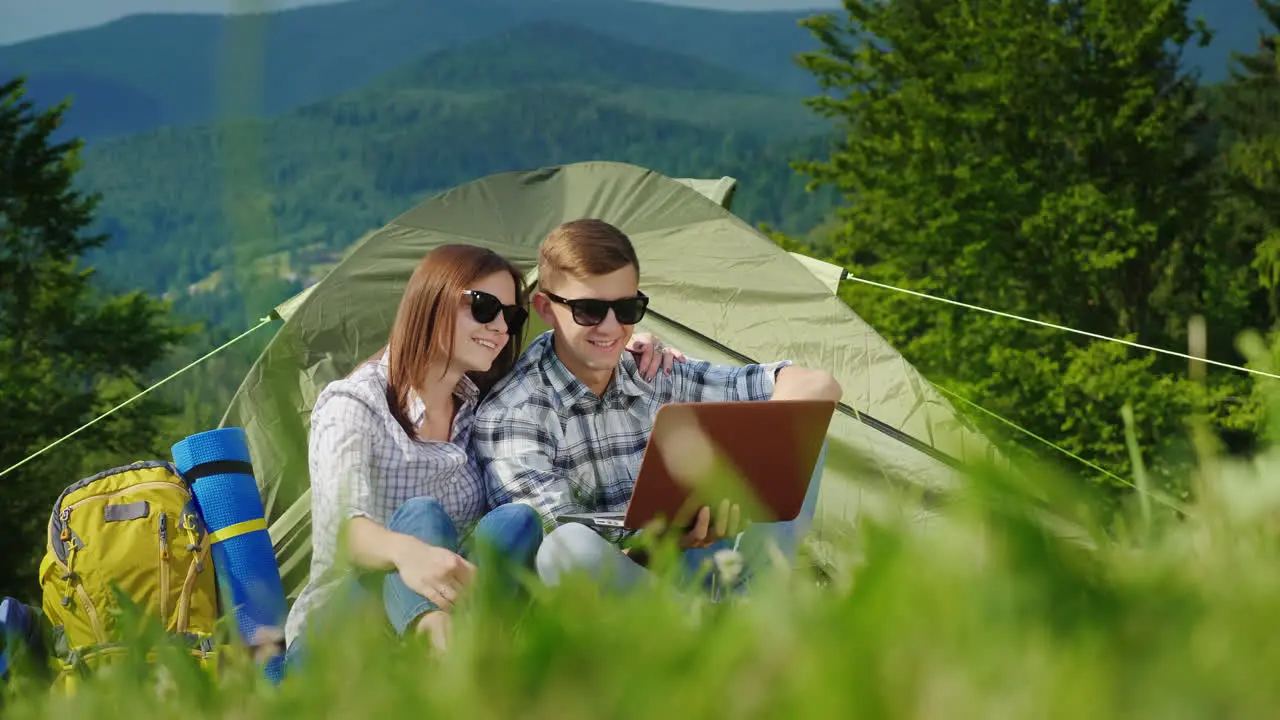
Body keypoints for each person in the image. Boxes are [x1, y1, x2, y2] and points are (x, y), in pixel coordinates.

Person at [284, 243, 682, 658]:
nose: (500, 327)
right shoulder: (355, 405)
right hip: (350, 623)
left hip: (461, 600)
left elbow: (554, 362)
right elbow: (343, 530)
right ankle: (442, 650)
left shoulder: (481, 404)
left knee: (517, 521)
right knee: (422, 515)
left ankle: (457, 657)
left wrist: (625, 346)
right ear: (432, 299)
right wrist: (408, 554)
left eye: (511, 316)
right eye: (483, 306)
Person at [470, 219, 843, 598]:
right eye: (589, 310)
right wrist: (664, 542)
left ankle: (747, 610)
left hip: (692, 558)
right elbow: (554, 552)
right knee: (566, 549)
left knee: (800, 434)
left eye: (628, 308)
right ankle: (711, 632)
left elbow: (816, 383)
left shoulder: (651, 367)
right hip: (616, 591)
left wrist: (759, 454)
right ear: (545, 309)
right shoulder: (511, 414)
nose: (612, 328)